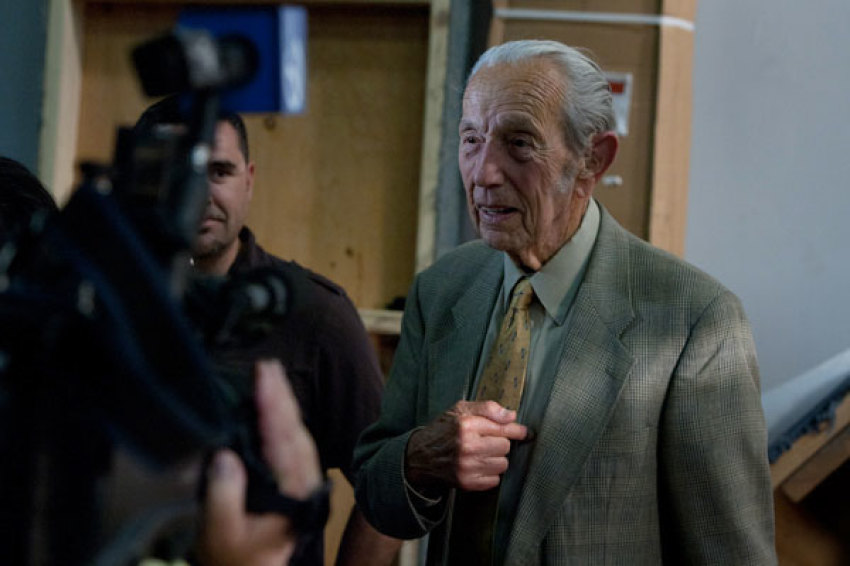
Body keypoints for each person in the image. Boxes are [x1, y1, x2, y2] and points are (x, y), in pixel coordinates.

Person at [353, 40, 777, 565]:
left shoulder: (694, 321)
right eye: (471, 139)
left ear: (592, 160)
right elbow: (375, 490)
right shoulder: (441, 290)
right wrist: (418, 461)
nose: (483, 172)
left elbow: (731, 554)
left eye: (519, 143)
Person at [133, 101, 401, 566]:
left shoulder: (314, 315)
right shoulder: (99, 305)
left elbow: (387, 488)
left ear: (249, 179)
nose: (197, 193)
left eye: (218, 171)